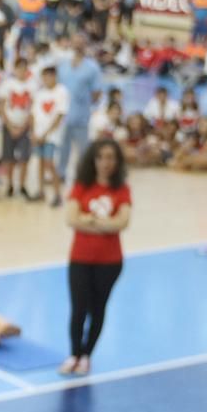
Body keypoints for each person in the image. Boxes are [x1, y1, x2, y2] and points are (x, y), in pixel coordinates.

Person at [62, 139, 131, 376]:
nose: (105, 162)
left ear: (117, 161)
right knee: (78, 308)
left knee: (98, 308)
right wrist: (105, 225)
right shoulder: (82, 186)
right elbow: (71, 219)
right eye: (101, 157)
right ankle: (74, 354)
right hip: (80, 258)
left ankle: (86, 356)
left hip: (110, 262)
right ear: (94, 159)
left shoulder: (122, 190)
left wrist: (88, 221)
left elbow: (123, 222)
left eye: (111, 157)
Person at [54, 33, 102, 183]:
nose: (78, 45)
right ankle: (61, 174)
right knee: (62, 148)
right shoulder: (63, 65)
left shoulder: (92, 67)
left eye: (81, 42)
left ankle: (83, 176)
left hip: (81, 116)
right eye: (75, 42)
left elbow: (97, 92)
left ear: (85, 45)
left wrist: (85, 103)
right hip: (63, 116)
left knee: (82, 149)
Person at [31, 66, 69, 206]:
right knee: (40, 163)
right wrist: (34, 133)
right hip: (38, 134)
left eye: (49, 76)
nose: (46, 80)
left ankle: (57, 194)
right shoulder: (40, 93)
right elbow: (34, 114)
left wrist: (46, 134)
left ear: (55, 76)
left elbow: (59, 116)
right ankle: (41, 191)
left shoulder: (61, 91)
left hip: (52, 136)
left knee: (50, 163)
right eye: (44, 77)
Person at [0, 57, 35, 199]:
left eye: (24, 68)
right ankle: (9, 185)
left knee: (24, 158)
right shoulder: (8, 84)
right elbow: (1, 106)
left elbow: (33, 110)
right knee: (8, 158)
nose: (21, 71)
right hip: (9, 125)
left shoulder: (32, 86)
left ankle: (22, 185)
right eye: (18, 67)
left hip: (24, 127)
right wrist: (9, 125)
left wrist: (24, 127)